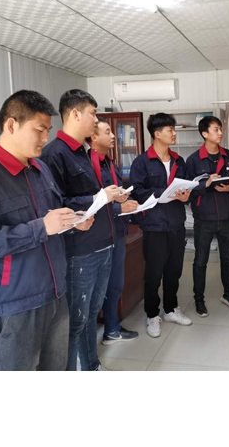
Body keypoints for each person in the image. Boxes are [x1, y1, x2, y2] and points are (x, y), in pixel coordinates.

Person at [0, 89, 93, 370]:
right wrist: (40, 228)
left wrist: (72, 221)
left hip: (55, 295)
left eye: (48, 131)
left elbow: (53, 215)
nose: (45, 138)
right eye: (39, 130)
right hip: (12, 306)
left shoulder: (39, 168)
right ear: (11, 125)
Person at [40, 89, 122, 370]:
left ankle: (91, 365)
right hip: (80, 251)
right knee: (75, 322)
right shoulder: (54, 154)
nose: (96, 120)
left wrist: (108, 197)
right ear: (75, 114)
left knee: (90, 316)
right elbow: (54, 204)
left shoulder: (86, 152)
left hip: (102, 244)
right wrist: (94, 200)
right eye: (93, 114)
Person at [130, 112, 193, 338]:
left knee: (174, 270)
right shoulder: (141, 162)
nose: (174, 134)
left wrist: (185, 195)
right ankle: (152, 314)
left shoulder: (178, 160)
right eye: (170, 130)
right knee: (154, 273)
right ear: (157, 134)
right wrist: (164, 193)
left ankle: (170, 309)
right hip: (154, 225)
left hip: (176, 223)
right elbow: (137, 191)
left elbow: (185, 186)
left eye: (174, 130)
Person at [88, 117, 140, 344]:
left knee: (116, 284)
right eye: (107, 132)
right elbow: (89, 204)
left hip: (117, 231)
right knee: (96, 290)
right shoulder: (88, 165)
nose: (113, 136)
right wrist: (119, 207)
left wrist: (122, 198)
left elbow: (112, 194)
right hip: (97, 235)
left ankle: (112, 329)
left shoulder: (109, 162)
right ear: (93, 137)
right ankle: (88, 345)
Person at [186, 116, 229, 317]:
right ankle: (199, 299)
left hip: (227, 217)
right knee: (200, 260)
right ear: (205, 133)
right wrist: (206, 184)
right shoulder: (193, 160)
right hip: (204, 218)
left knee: (227, 258)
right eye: (216, 129)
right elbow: (188, 190)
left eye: (220, 129)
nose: (220, 133)